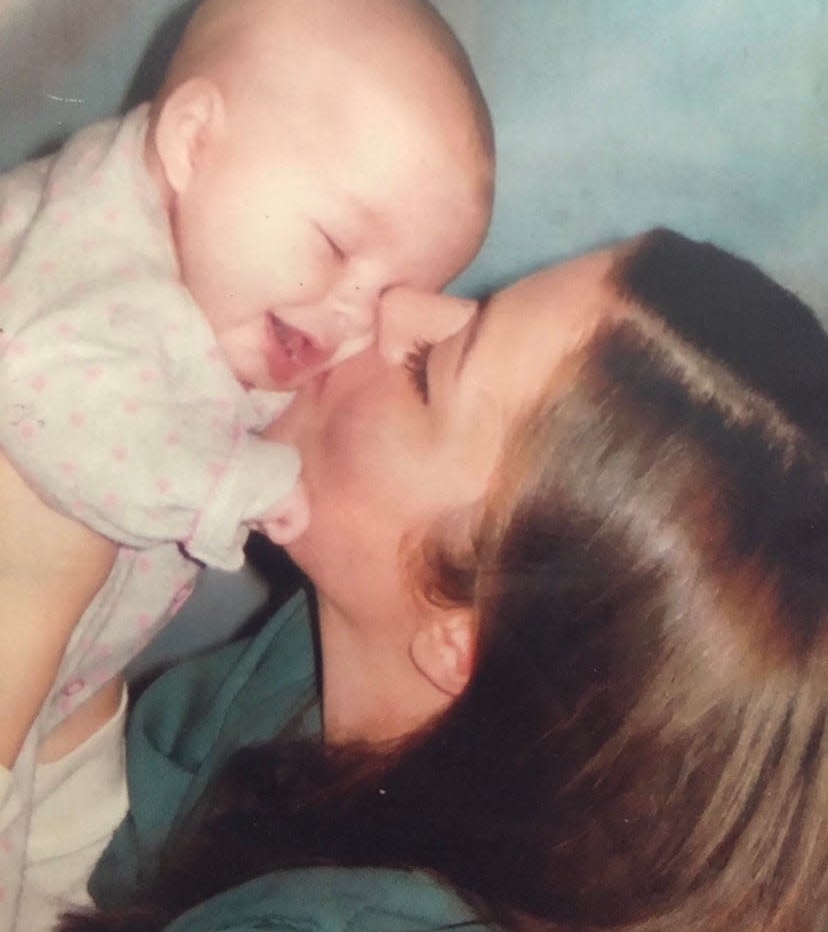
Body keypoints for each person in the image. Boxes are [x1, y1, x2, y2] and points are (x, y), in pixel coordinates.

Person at [10, 228, 826, 930]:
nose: (395, 302)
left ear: (460, 642)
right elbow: (103, 865)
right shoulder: (325, 661)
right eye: (480, 302)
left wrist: (29, 601)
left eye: (428, 370)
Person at [0, 0, 493, 930]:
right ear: (193, 140)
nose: (355, 319)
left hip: (63, 692)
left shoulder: (222, 269)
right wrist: (236, 485)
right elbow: (41, 387)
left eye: (391, 289)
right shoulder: (92, 257)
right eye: (337, 245)